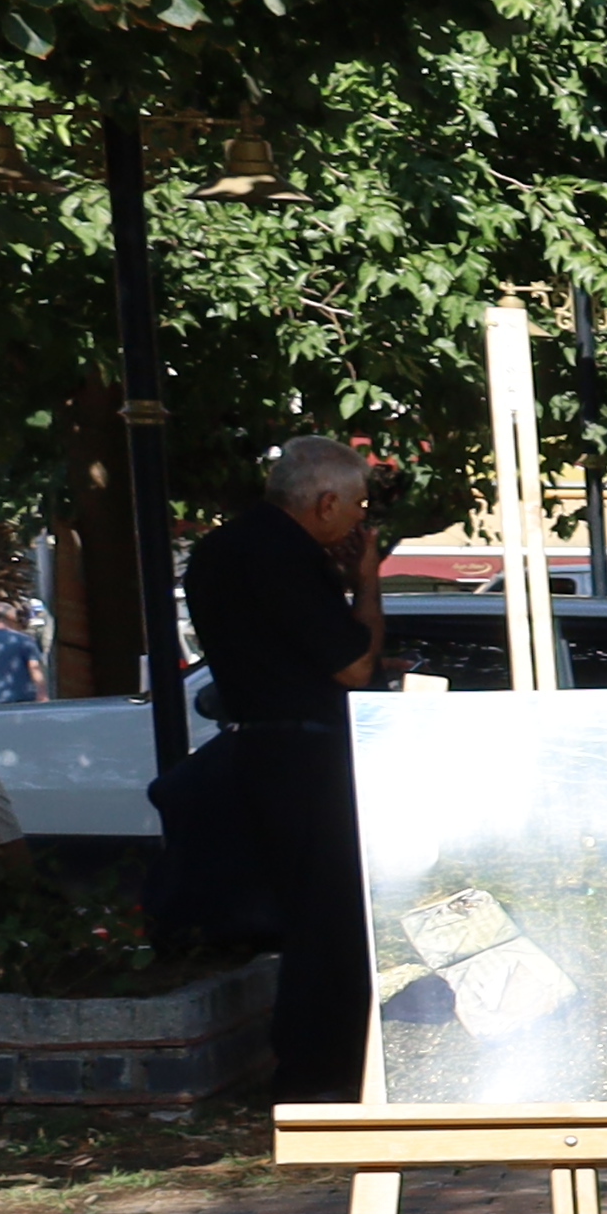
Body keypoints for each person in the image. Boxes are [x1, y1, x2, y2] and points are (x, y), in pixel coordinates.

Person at [179, 434, 393, 1101]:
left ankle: (316, 1066)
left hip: (262, 745)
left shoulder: (220, 549)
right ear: (325, 501)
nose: (361, 519)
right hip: (308, 754)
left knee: (309, 917)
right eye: (356, 504)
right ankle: (323, 1073)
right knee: (332, 919)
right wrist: (365, 583)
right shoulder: (282, 555)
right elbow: (353, 664)